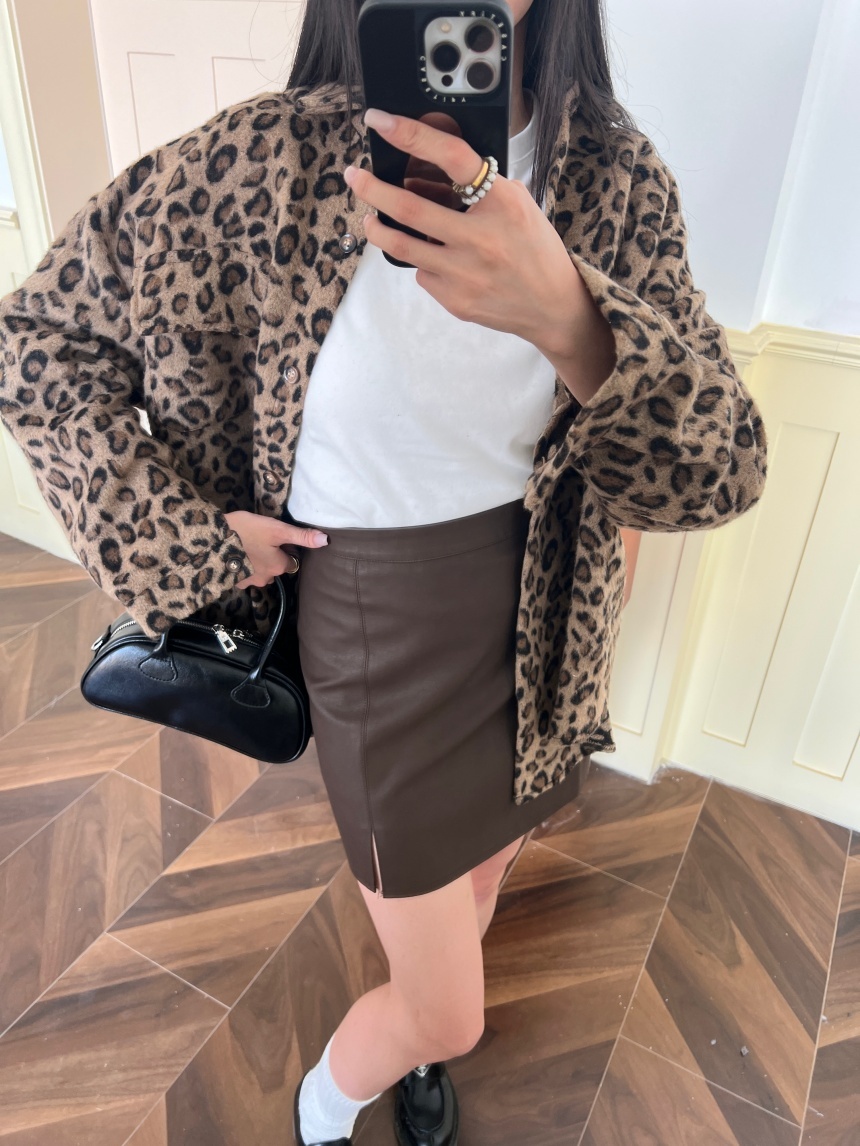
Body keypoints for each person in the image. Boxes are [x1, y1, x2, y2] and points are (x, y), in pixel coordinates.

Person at [0, 0, 768, 1142]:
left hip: (548, 619)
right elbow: (35, 344)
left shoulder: (613, 181)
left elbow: (718, 474)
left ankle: (412, 1031)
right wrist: (189, 537)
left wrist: (574, 321)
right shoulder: (262, 159)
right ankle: (329, 1100)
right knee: (449, 1007)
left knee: (476, 886)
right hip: (374, 626)